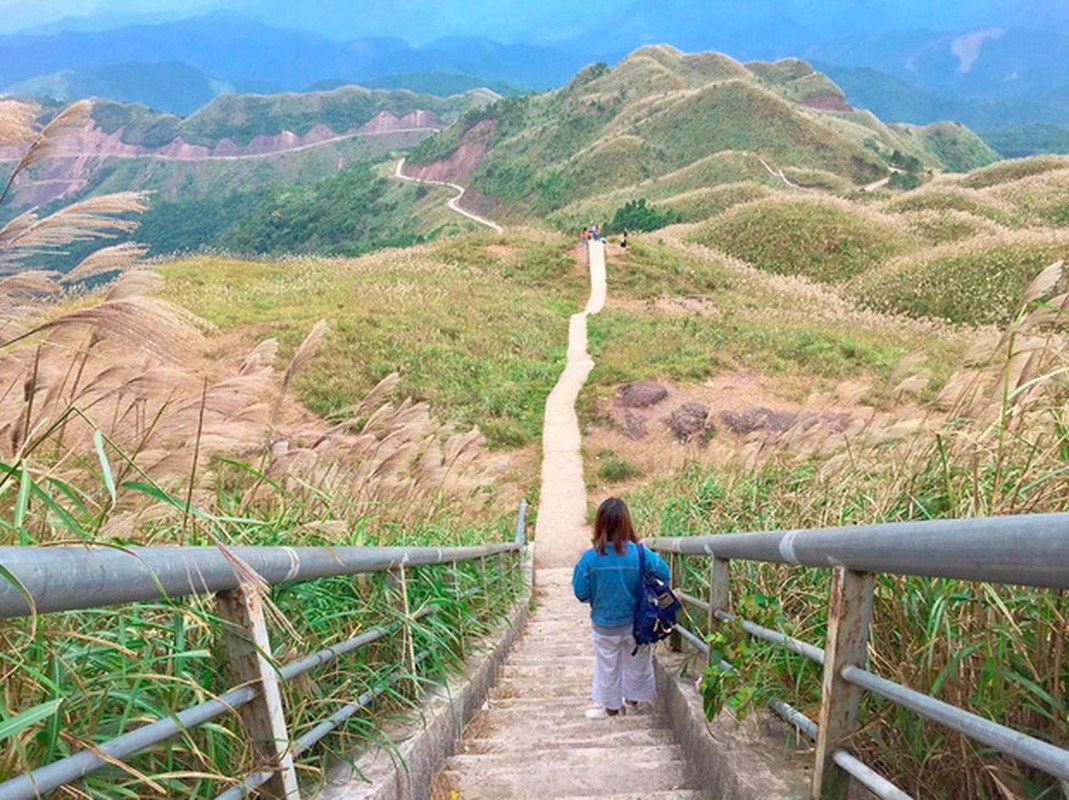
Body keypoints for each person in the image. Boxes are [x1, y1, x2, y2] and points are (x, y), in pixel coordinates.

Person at [572, 497, 671, 719]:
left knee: (607, 666)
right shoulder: (641, 553)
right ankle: (633, 700)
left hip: (604, 624)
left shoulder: (590, 559)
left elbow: (580, 592)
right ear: (627, 523)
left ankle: (612, 708)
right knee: (638, 661)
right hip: (637, 623)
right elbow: (664, 574)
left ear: (600, 524)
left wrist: (595, 596)